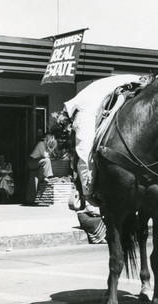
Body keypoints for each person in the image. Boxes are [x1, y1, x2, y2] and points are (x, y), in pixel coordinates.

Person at [63, 74, 143, 214]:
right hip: (90, 108)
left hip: (108, 99)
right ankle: (88, 196)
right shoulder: (87, 106)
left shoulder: (124, 83)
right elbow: (121, 96)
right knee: (86, 151)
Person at [25, 132, 57, 205]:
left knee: (33, 181)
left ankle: (30, 199)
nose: (50, 140)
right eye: (48, 138)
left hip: (36, 162)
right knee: (47, 160)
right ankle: (47, 176)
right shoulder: (41, 143)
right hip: (32, 161)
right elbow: (45, 155)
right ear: (45, 139)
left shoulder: (46, 145)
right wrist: (50, 148)